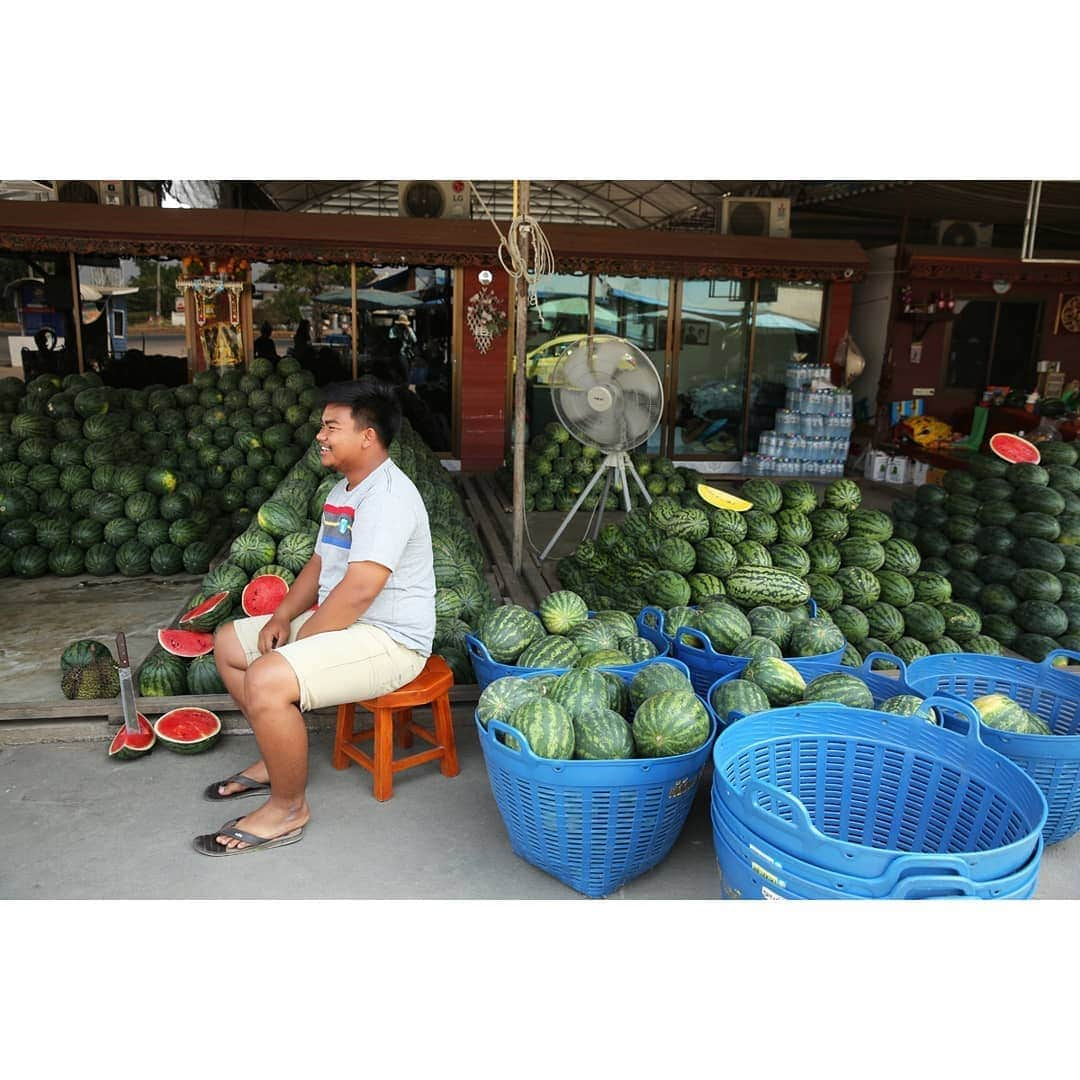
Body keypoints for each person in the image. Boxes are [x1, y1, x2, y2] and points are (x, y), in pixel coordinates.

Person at [192, 377, 436, 856]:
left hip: (391, 640)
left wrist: (300, 645)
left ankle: (288, 808)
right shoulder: (345, 490)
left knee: (266, 678)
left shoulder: (387, 497)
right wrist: (282, 615)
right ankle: (272, 759)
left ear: (368, 436)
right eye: (321, 427)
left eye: (331, 427)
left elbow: (362, 589)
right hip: (346, 621)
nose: (320, 436)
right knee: (227, 643)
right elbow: (322, 563)